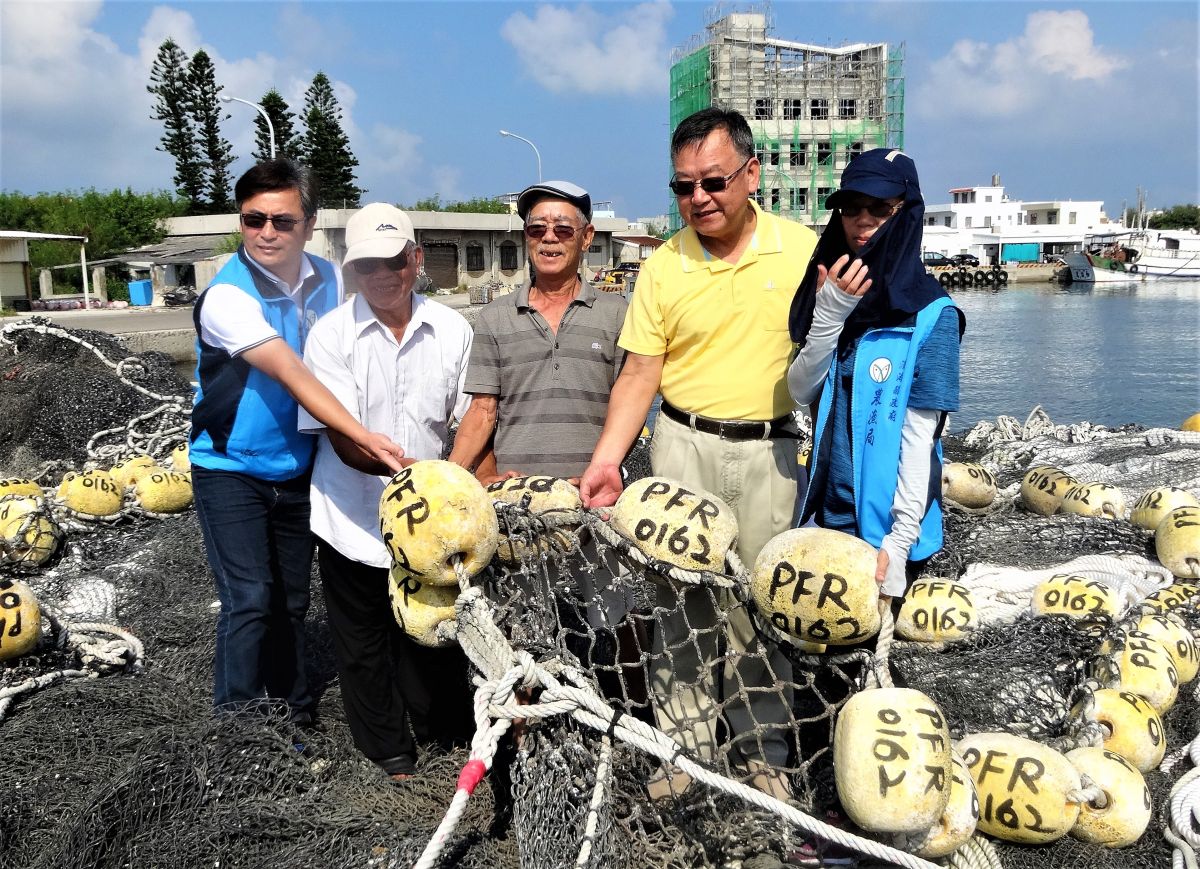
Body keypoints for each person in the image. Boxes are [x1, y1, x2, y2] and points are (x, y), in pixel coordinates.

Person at [578, 108, 817, 797]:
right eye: (683, 187)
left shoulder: (801, 250)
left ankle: (762, 753)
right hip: (680, 445)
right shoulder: (665, 265)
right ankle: (682, 756)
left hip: (772, 451)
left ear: (751, 173)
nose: (698, 199)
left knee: (757, 609)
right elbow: (639, 375)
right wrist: (607, 461)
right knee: (679, 606)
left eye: (712, 181)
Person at [189, 159, 404, 726]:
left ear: (309, 224)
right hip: (230, 466)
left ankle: (294, 712)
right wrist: (364, 436)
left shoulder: (331, 280)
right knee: (250, 599)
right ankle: (237, 726)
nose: (266, 232)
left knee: (290, 601)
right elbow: (294, 374)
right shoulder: (227, 297)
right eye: (253, 219)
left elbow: (362, 347)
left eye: (282, 221)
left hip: (298, 467)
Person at [299, 203, 475, 779]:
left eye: (394, 260)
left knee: (431, 635)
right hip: (351, 516)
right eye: (367, 264)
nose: (382, 274)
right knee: (364, 641)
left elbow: (471, 420)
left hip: (433, 524)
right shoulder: (329, 336)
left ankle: (439, 728)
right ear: (352, 270)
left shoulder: (453, 329)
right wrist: (406, 479)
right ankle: (387, 749)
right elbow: (342, 438)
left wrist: (460, 490)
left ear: (416, 260)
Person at [786, 148, 964, 605]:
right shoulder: (832, 290)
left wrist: (899, 544)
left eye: (880, 209)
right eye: (851, 207)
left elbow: (921, 438)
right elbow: (801, 390)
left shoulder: (932, 316)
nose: (862, 221)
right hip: (826, 517)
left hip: (888, 533)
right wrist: (829, 316)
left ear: (906, 213)